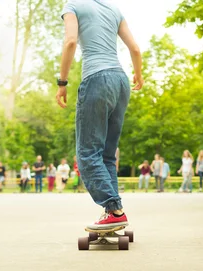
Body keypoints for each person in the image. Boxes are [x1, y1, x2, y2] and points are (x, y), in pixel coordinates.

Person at [56, 0, 143, 228]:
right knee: (106, 156)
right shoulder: (113, 9)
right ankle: (113, 212)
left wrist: (62, 82)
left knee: (86, 154)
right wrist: (139, 74)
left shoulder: (72, 6)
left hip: (97, 78)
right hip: (121, 81)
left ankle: (115, 210)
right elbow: (135, 48)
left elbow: (71, 42)